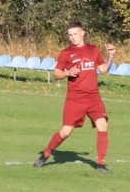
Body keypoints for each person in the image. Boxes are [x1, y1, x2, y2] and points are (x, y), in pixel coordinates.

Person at [34, 21, 116, 173]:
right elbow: (56, 73)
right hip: (75, 98)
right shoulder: (66, 53)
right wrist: (68, 72)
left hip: (93, 97)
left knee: (103, 126)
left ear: (82, 33)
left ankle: (101, 165)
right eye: (70, 35)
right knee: (66, 131)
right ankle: (46, 154)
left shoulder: (93, 49)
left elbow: (104, 70)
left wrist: (111, 56)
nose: (73, 37)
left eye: (75, 34)